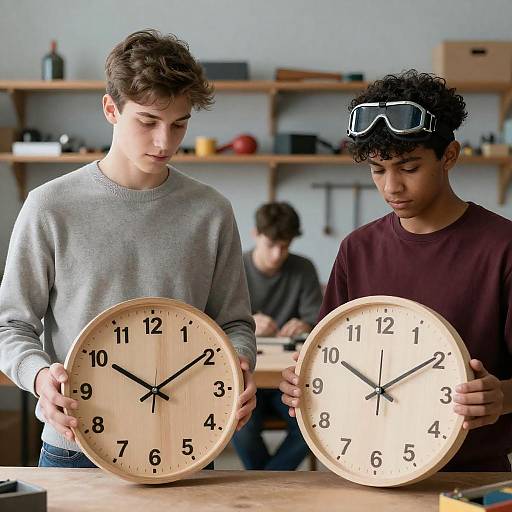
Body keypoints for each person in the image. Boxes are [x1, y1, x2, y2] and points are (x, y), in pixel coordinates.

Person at [0, 29, 257, 468]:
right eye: (148, 122)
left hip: (189, 445)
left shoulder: (212, 212)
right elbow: (10, 326)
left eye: (179, 124)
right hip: (76, 449)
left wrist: (239, 365)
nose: (165, 142)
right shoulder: (49, 205)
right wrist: (40, 376)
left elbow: (234, 323)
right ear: (110, 109)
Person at [280, 69, 512, 471]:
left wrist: (501, 397)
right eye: (377, 169)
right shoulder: (357, 250)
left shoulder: (502, 247)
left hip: (473, 478)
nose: (391, 187)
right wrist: (300, 385)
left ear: (449, 156)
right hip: (365, 474)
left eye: (408, 168)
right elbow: (329, 362)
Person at [233, 202, 322, 470]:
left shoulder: (303, 268)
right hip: (250, 375)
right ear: (255, 234)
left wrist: (304, 323)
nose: (276, 254)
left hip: (289, 376)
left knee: (313, 425)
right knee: (238, 424)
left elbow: (318, 323)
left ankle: (262, 482)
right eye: (271, 244)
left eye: (284, 246)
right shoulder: (234, 267)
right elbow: (219, 322)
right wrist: (246, 323)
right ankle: (269, 484)